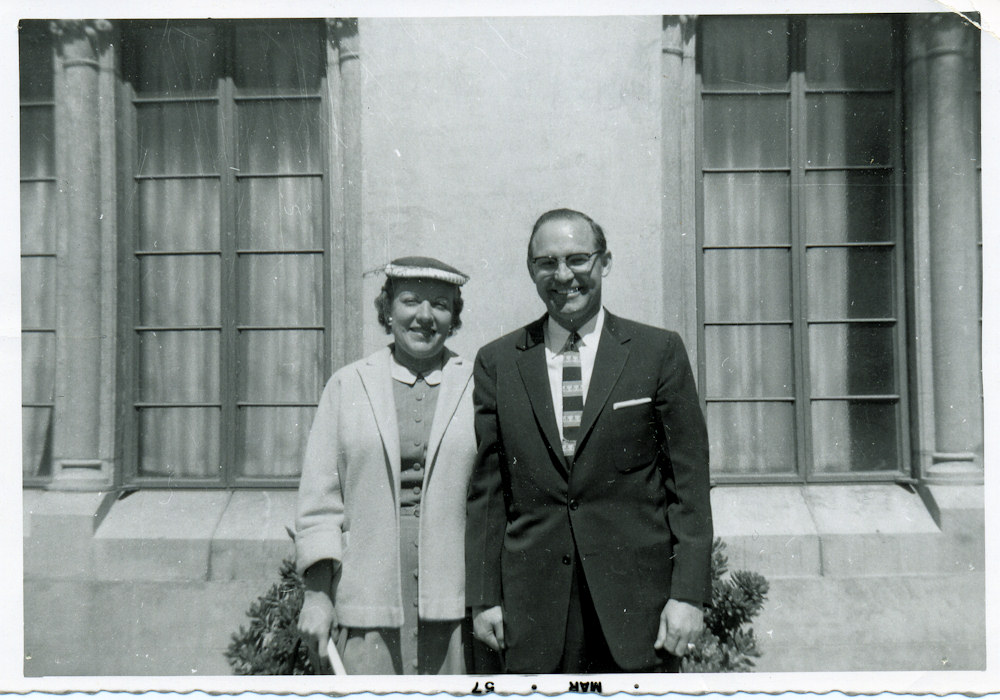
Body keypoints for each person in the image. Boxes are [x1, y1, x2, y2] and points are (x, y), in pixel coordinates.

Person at [466, 209, 713, 674]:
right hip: (534, 613)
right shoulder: (498, 363)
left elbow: (690, 488)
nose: (563, 276)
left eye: (578, 259)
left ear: (605, 262)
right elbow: (488, 492)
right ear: (531, 271)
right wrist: (483, 599)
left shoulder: (657, 353)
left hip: (638, 610)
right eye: (547, 263)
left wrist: (688, 595)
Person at [295, 256, 477, 675]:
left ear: (455, 316)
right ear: (388, 309)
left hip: (453, 600)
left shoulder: (478, 384)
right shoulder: (347, 384)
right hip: (366, 597)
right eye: (411, 301)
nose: (424, 316)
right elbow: (320, 504)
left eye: (441, 304)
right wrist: (318, 596)